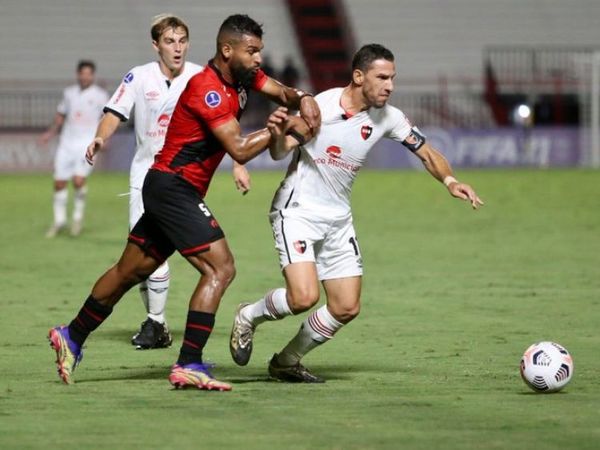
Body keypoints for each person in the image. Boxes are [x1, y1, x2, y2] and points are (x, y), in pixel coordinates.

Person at [48, 14, 320, 391]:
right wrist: (282, 127)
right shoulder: (206, 88)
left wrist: (303, 97)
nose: (259, 59)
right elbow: (239, 147)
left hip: (169, 188)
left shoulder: (243, 77)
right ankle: (189, 363)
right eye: (252, 51)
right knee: (220, 269)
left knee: (130, 271)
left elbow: (279, 89)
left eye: (259, 51)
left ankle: (72, 335)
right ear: (228, 50)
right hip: (172, 188)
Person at [229, 43, 484, 383]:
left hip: (338, 218)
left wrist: (450, 180)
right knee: (304, 297)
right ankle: (248, 315)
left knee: (346, 306)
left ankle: (287, 361)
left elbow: (426, 151)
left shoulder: (389, 117)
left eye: (392, 78)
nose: (390, 85)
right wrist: (279, 134)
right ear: (359, 76)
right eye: (382, 77)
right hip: (297, 212)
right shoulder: (321, 106)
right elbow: (280, 153)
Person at [85, 14, 205, 350]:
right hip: (146, 176)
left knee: (159, 254)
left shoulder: (199, 77)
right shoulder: (139, 77)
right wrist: (99, 138)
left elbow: (219, 120)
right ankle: (157, 324)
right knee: (143, 255)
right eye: (170, 41)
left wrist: (238, 163)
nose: (177, 47)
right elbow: (114, 112)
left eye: (182, 40)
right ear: (156, 45)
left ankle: (156, 323)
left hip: (184, 178)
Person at [39, 60, 109, 238]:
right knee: (59, 183)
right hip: (66, 143)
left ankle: (77, 218)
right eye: (82, 73)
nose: (85, 76)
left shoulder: (101, 95)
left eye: (89, 73)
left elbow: (107, 118)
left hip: (87, 144)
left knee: (78, 180)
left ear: (92, 75)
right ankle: (59, 221)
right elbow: (61, 115)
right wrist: (50, 133)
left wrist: (104, 138)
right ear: (78, 74)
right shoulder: (69, 93)